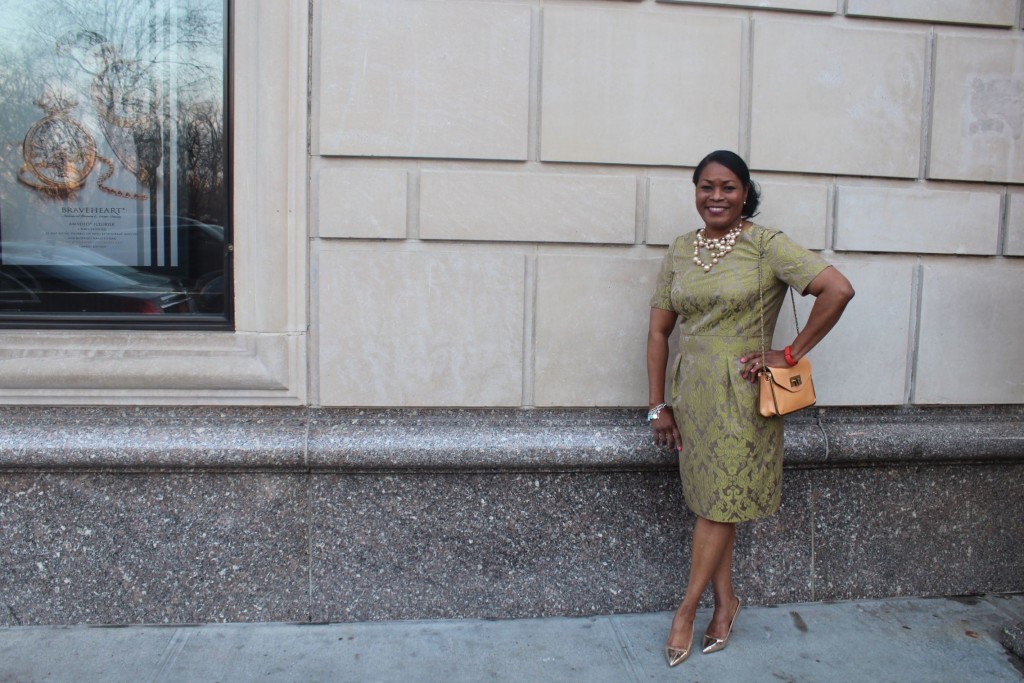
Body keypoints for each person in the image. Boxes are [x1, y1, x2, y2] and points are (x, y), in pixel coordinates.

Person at [647, 150, 854, 667]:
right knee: (715, 503)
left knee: (719, 503)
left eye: (728, 187)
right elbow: (658, 331)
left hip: (742, 397)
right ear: (695, 191)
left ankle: (686, 611)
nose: (716, 197)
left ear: (745, 193)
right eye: (706, 187)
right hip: (692, 395)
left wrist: (789, 352)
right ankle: (726, 605)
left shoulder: (766, 245)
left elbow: (837, 289)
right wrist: (657, 406)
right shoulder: (679, 251)